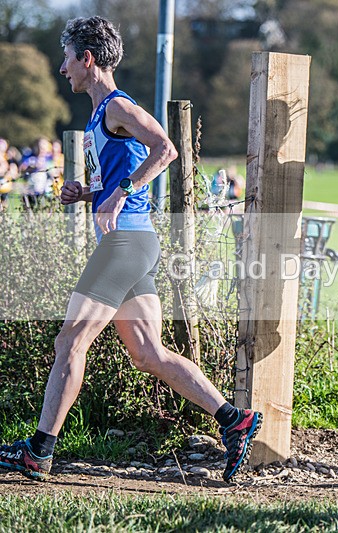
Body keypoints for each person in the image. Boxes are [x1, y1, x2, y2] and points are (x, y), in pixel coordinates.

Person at [0, 16, 261, 482]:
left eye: (67, 59)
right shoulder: (101, 115)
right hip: (134, 245)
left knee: (69, 342)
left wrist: (121, 190)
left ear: (87, 59)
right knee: (148, 353)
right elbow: (124, 171)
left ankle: (38, 452)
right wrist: (91, 191)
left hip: (126, 243)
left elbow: (166, 147)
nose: (63, 70)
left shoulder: (119, 106)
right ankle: (234, 420)